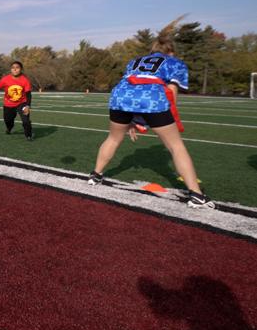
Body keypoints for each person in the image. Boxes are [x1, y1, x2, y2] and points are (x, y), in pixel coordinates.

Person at [88, 30, 214, 209]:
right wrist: (165, 116)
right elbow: (170, 92)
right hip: (152, 97)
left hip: (120, 96)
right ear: (171, 51)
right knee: (176, 146)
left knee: (113, 138)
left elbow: (134, 84)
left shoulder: (135, 61)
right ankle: (196, 195)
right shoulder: (174, 62)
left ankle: (95, 175)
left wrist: (133, 119)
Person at [0, 61, 34, 141]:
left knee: (26, 120)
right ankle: (9, 128)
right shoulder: (5, 79)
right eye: (13, 68)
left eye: (17, 68)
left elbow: (28, 94)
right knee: (8, 120)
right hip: (8, 104)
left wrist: (28, 105)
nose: (15, 70)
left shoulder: (25, 80)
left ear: (21, 69)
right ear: (10, 69)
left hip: (22, 103)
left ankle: (28, 135)